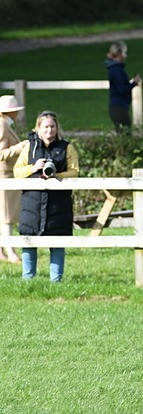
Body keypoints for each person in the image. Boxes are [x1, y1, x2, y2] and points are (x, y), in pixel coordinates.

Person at [15, 111, 79, 281]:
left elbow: (75, 172)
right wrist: (33, 168)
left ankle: (56, 281)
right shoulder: (30, 147)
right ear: (38, 128)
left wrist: (58, 176)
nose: (49, 130)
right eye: (45, 127)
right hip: (32, 203)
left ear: (57, 128)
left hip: (58, 204)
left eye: (52, 126)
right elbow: (17, 172)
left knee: (57, 243)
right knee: (28, 242)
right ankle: (28, 280)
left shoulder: (67, 147)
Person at [0, 95, 29, 263]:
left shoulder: (4, 125)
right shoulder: (2, 126)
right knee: (7, 217)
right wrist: (19, 147)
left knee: (4, 215)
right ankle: (10, 252)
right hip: (5, 175)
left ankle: (4, 252)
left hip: (7, 175)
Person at [105, 41, 141, 131]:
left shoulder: (114, 69)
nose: (125, 56)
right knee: (126, 133)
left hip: (115, 107)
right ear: (119, 54)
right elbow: (122, 89)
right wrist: (134, 83)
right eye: (124, 53)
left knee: (122, 134)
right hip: (119, 107)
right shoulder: (117, 70)